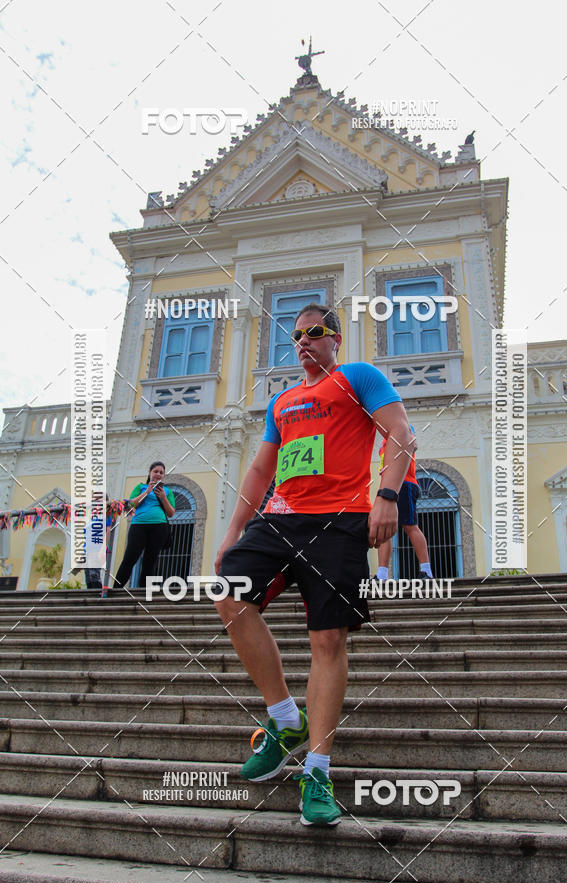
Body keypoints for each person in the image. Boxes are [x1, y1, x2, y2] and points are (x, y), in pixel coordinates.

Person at [215, 303, 415, 826]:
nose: (304, 341)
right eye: (297, 335)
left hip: (341, 521)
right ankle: (287, 720)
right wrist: (233, 530)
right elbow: (262, 467)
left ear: (336, 339)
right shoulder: (282, 400)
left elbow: (400, 433)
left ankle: (318, 772)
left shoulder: (359, 377)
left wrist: (387, 495)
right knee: (230, 592)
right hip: (281, 518)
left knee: (327, 640)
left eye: (315, 333)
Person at [376, 435, 434, 580]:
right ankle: (382, 575)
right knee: (384, 530)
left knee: (410, 526)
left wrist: (411, 441)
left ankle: (426, 571)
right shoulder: (383, 442)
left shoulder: (401, 428)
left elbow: (412, 441)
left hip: (405, 483)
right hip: (386, 487)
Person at [113, 461, 175, 589]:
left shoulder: (167, 491)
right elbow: (131, 505)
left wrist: (163, 497)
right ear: (150, 473)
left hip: (159, 527)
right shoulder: (140, 487)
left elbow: (171, 513)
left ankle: (144, 591)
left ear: (163, 475)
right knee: (130, 557)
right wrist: (147, 491)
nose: (158, 474)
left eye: (161, 472)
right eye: (155, 471)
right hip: (138, 525)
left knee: (150, 561)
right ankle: (116, 589)